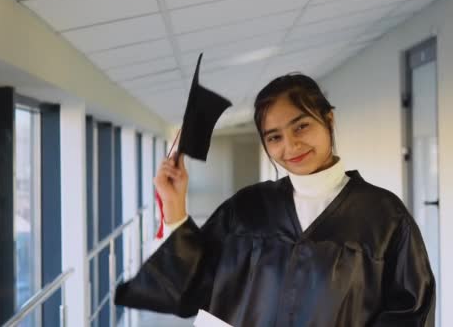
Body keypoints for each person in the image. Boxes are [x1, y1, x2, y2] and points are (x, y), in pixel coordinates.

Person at [114, 73, 435, 326]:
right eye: (274, 137)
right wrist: (174, 209)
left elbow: (410, 313)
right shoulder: (247, 209)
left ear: (329, 121)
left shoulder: (383, 217)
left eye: (302, 126)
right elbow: (190, 291)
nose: (291, 145)